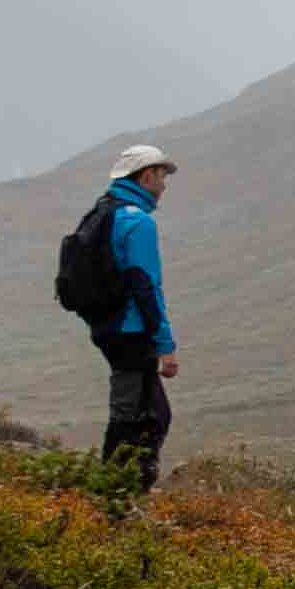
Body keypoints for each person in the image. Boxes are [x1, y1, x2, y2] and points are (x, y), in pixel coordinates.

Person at [83, 146, 182, 497]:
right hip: (131, 330)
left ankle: (116, 490)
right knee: (142, 416)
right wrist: (165, 346)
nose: (164, 185)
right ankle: (118, 497)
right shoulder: (137, 221)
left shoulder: (102, 213)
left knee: (143, 411)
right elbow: (146, 286)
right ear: (146, 177)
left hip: (108, 328)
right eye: (162, 177)